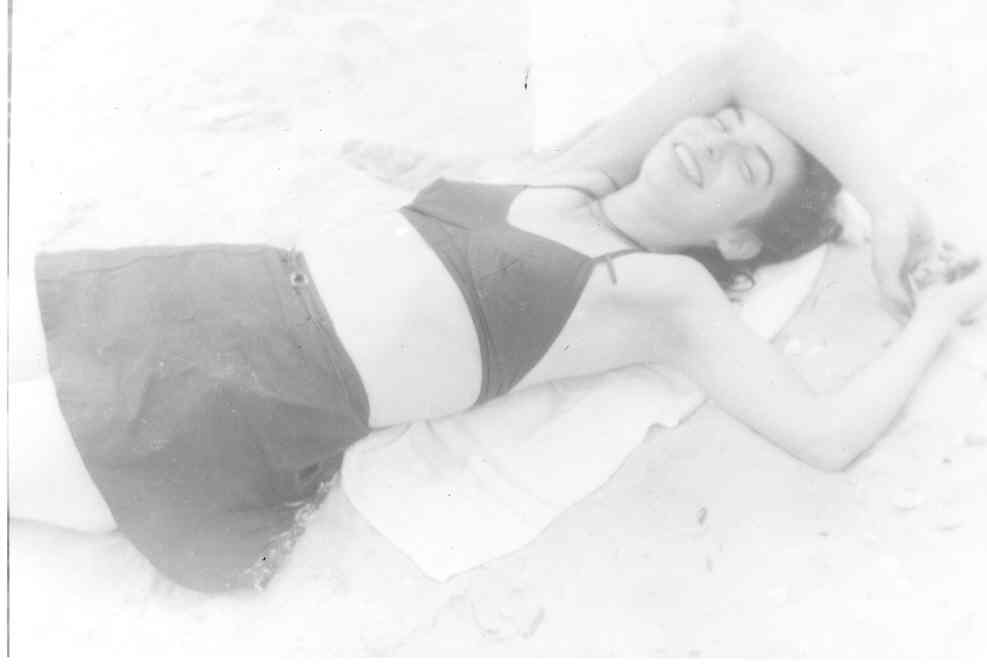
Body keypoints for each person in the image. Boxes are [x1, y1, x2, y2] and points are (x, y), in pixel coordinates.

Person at [9, 29, 987, 593]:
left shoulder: (660, 293)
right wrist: (888, 195)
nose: (712, 140)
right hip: (197, 293)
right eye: (722, 125)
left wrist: (934, 318)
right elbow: (743, 57)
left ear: (737, 240)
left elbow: (826, 436)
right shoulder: (573, 174)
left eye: (749, 168)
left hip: (231, 408)